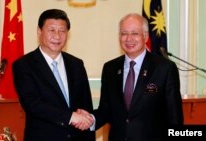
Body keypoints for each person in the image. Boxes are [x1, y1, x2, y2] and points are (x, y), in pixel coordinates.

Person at [92, 13, 184, 141]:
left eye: (135, 33)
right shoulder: (110, 68)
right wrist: (89, 119)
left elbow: (175, 117)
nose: (129, 39)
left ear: (145, 36)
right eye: (124, 33)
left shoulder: (165, 68)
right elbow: (105, 110)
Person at [12, 9, 95, 141]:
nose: (57, 35)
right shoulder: (24, 65)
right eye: (51, 30)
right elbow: (33, 104)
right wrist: (70, 116)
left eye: (62, 31)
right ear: (39, 32)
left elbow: (86, 105)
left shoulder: (76, 64)